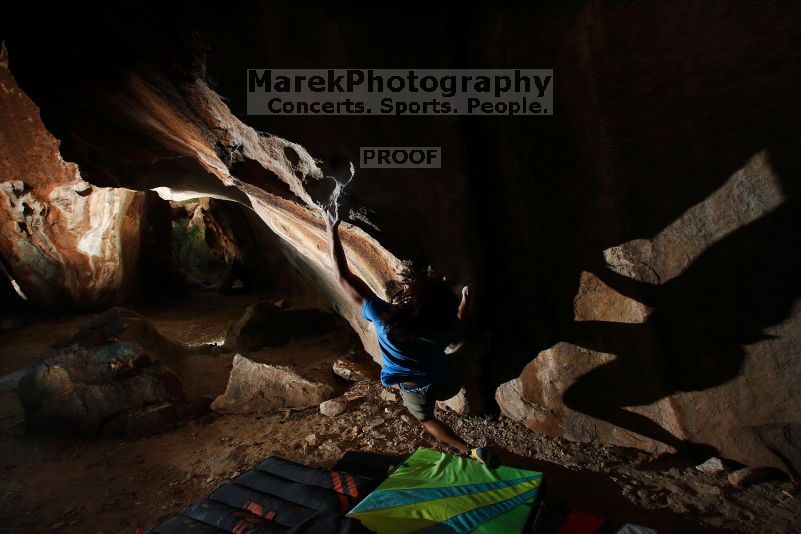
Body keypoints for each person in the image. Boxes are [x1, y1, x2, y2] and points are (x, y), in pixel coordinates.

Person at [324, 209, 493, 465]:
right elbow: (457, 322)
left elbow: (343, 277)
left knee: (427, 420)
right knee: (471, 346)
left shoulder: (383, 319)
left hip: (414, 390)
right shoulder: (438, 331)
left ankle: (469, 450)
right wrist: (465, 301)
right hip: (446, 381)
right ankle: (486, 346)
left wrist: (331, 228)